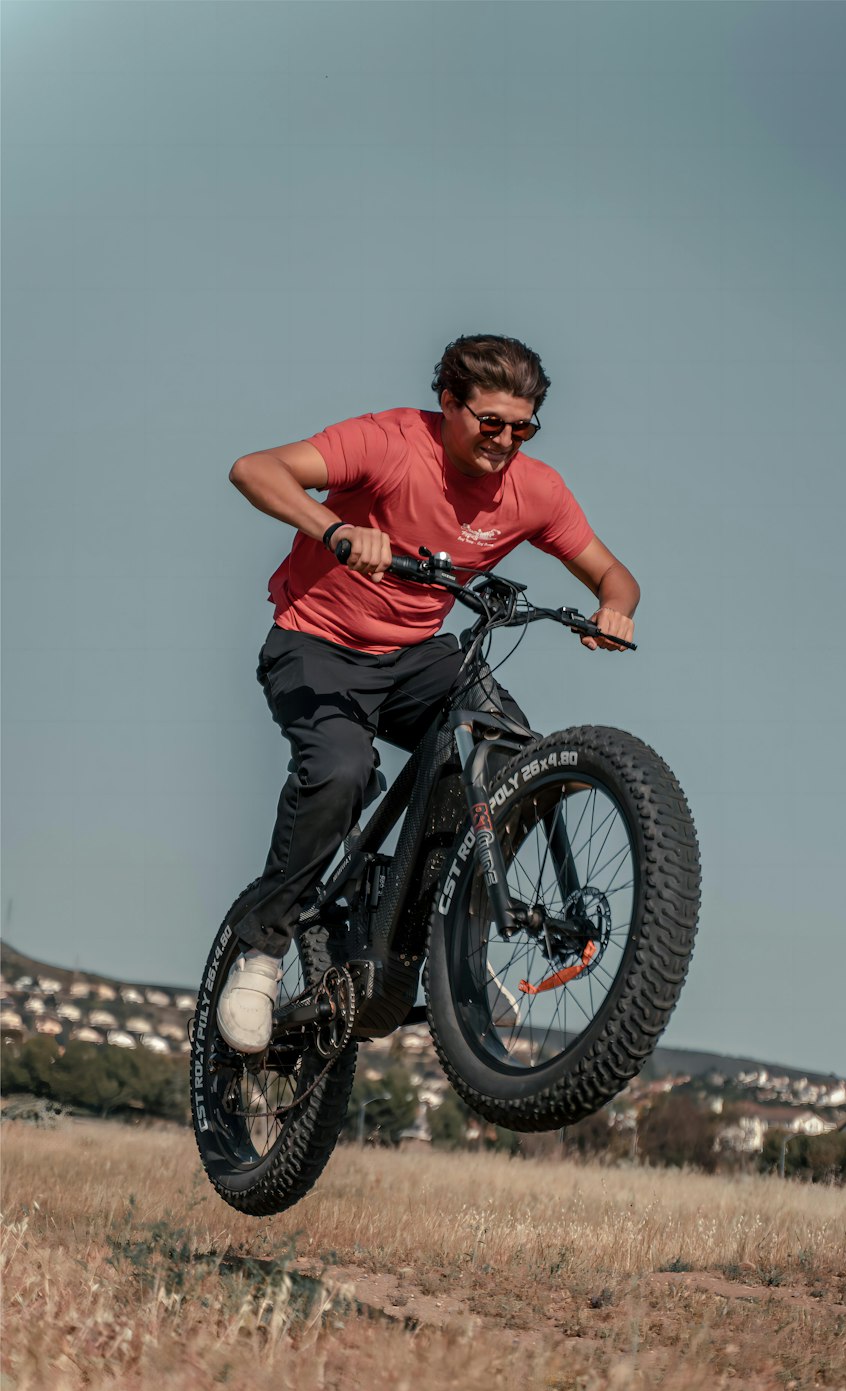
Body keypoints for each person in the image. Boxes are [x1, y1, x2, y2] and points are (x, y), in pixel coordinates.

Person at [216, 333, 640, 1053]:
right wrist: (337, 528)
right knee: (341, 774)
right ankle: (260, 955)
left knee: (507, 758)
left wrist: (614, 607)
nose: (506, 442)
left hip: (420, 658)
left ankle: (451, 944)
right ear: (449, 404)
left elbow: (613, 574)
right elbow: (253, 470)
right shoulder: (389, 443)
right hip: (315, 646)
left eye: (523, 428)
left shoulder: (534, 490)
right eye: (491, 424)